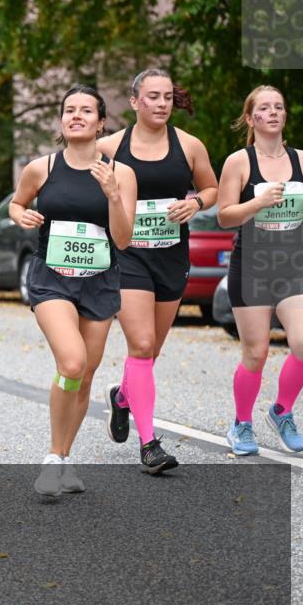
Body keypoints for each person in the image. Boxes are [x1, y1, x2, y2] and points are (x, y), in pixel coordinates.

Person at [10, 85, 136, 496]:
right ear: (62, 121)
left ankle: (64, 457)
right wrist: (22, 215)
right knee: (71, 362)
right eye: (69, 110)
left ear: (102, 122)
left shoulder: (121, 172)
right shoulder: (41, 167)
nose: (76, 116)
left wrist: (113, 195)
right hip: (52, 280)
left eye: (86, 111)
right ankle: (51, 457)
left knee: (83, 377)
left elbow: (121, 239)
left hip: (100, 283)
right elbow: (16, 203)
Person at [97, 69, 218, 474]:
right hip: (127, 257)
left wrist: (197, 203)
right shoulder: (110, 146)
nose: (162, 103)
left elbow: (212, 188)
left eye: (167, 96)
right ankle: (149, 445)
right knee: (142, 343)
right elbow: (83, 186)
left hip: (171, 256)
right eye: (152, 96)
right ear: (134, 102)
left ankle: (122, 398)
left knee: (150, 352)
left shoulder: (189, 146)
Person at [217, 85, 303, 455]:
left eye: (279, 107)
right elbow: (225, 216)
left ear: (285, 115)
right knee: (255, 353)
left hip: (292, 264)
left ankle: (282, 411)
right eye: (264, 108)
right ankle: (241, 424)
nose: (273, 112)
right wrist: (256, 203)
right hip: (252, 265)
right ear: (250, 117)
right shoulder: (238, 162)